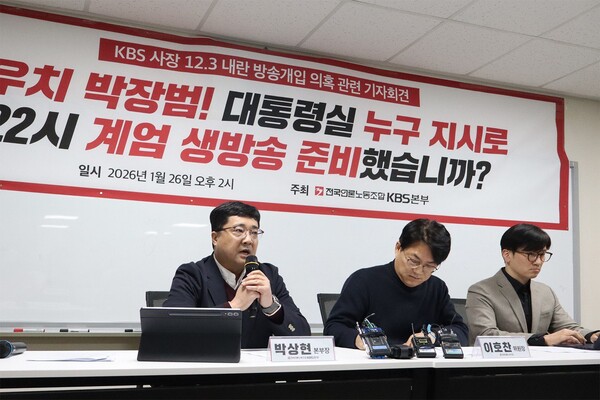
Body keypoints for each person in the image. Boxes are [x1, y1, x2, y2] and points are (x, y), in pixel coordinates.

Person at [163, 201, 310, 348]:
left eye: (254, 233)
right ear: (215, 238)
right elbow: (172, 330)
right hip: (210, 362)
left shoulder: (268, 275)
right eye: (239, 230)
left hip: (256, 363)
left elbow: (303, 335)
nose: (248, 240)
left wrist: (271, 307)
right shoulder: (192, 274)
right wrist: (233, 306)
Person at [324, 219, 468, 349]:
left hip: (421, 366)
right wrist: (359, 340)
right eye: (414, 261)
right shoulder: (364, 281)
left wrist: (432, 336)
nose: (419, 271)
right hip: (375, 365)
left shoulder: (437, 288)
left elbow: (460, 330)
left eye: (429, 266)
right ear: (398, 248)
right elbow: (333, 328)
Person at [466, 223, 599, 346]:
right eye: (531, 254)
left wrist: (591, 335)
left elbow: (567, 327)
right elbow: (486, 335)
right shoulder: (481, 291)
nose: (538, 262)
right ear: (507, 255)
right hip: (499, 363)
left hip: (541, 362)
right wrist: (542, 339)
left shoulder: (545, 292)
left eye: (542, 254)